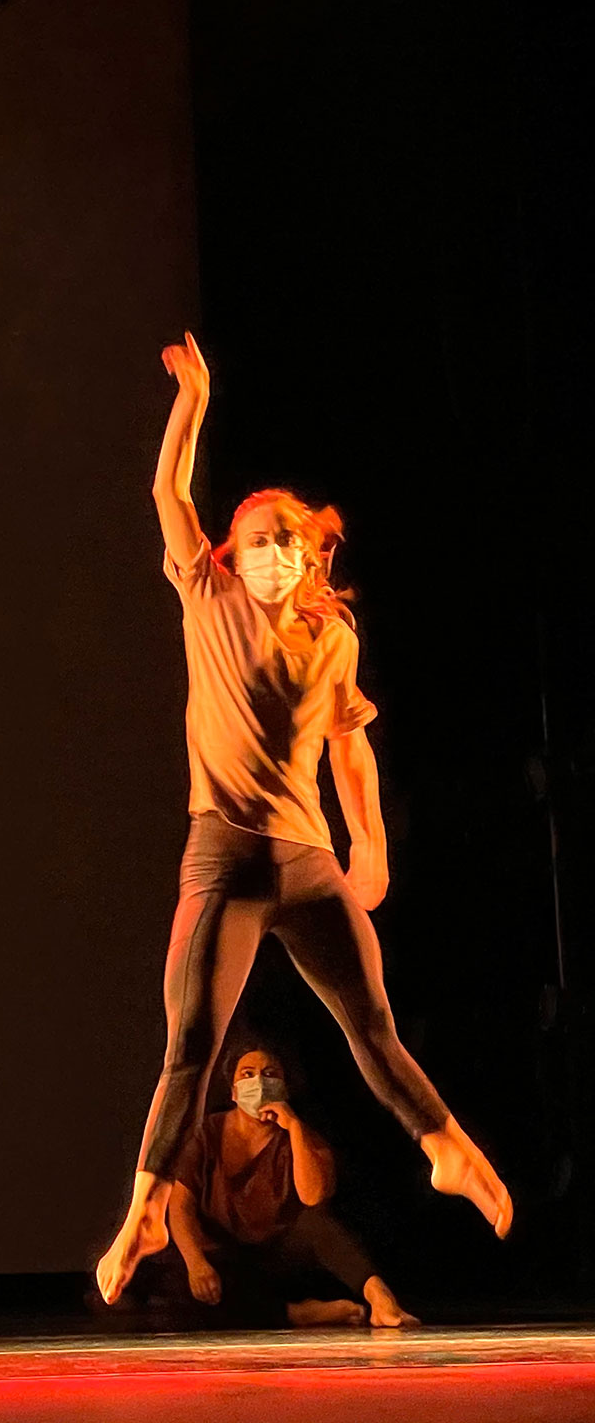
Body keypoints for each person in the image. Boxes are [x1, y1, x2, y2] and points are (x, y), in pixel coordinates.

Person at [94, 333, 511, 1303]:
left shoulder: (334, 636)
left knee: (373, 1026)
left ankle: (447, 1149)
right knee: (191, 1042)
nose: (274, 554)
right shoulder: (206, 594)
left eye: (290, 540)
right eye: (259, 540)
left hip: (305, 858)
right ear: (233, 554)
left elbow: (349, 745)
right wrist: (192, 403)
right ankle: (147, 1204)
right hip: (225, 856)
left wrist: (369, 843)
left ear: (311, 555)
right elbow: (169, 496)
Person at [161, 1047, 414, 1328]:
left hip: (278, 1255)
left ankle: (378, 1295)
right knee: (184, 1288)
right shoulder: (208, 1133)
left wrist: (293, 1127)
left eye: (269, 1075)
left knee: (316, 1225)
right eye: (248, 1074)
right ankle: (297, 1314)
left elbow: (313, 1196)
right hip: (223, 1255)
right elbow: (180, 1205)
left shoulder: (301, 1137)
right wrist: (196, 1262)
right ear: (233, 1092)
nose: (259, 1082)